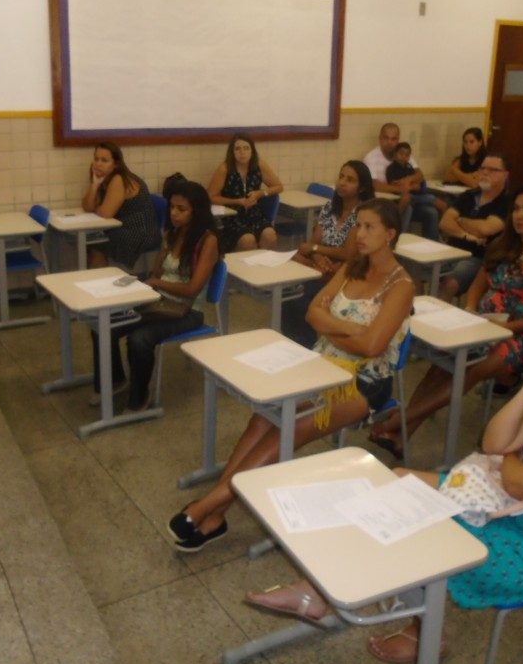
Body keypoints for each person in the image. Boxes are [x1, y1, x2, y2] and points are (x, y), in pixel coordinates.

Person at [246, 308, 523, 664]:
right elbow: (494, 442)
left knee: (419, 526)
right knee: (398, 480)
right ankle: (335, 594)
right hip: (517, 511)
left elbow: (517, 480)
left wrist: (512, 459)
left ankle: (415, 627)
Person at [167, 199, 414, 552]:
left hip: (363, 381)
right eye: (357, 225)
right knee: (261, 418)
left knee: (288, 428)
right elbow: (314, 313)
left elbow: (373, 346)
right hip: (322, 362)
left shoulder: (401, 285)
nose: (358, 234)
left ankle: (207, 506)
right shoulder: (352, 268)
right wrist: (349, 331)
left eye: (369, 227)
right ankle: (218, 511)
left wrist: (336, 330)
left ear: (390, 234)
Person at [370, 183, 523, 459]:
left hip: (520, 337)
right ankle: (403, 436)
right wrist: (471, 307)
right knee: (441, 364)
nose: (519, 216)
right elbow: (478, 284)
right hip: (482, 325)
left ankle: (398, 421)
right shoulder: (504, 246)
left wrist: (505, 328)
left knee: (471, 369)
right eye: (516, 209)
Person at [91, 180, 219, 412]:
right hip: (159, 302)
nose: (173, 213)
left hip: (188, 310)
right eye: (172, 207)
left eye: (181, 209)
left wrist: (157, 283)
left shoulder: (208, 241)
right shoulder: (171, 234)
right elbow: (155, 273)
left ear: (197, 211)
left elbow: (192, 289)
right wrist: (143, 284)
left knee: (140, 338)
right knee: (103, 323)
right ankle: (115, 381)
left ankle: (139, 399)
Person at [282, 160, 375, 347]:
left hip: (347, 270)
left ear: (362, 188)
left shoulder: (362, 214)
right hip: (322, 266)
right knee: (289, 295)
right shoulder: (329, 208)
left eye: (350, 180)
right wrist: (317, 256)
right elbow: (312, 244)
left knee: (302, 300)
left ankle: (306, 348)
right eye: (341, 176)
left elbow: (349, 253)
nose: (342, 182)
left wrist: (316, 250)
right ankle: (294, 344)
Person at [437, 153, 511, 301]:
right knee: (414, 270)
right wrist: (467, 235)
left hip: (478, 258)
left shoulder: (507, 202)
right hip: (452, 250)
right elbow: (444, 223)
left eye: (492, 170)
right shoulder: (468, 195)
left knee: (449, 284)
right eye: (482, 168)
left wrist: (460, 220)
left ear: (505, 175)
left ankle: (435, 320)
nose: (484, 173)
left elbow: (486, 229)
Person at [80, 141, 160, 269]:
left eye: (104, 160)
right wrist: (94, 185)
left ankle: (101, 285)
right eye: (96, 159)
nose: (98, 164)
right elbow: (87, 207)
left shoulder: (119, 179)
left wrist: (98, 207)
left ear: (116, 164)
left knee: (97, 245)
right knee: (91, 241)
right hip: (121, 226)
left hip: (139, 231)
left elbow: (105, 213)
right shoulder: (103, 178)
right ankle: (97, 282)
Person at [207, 132, 283, 252]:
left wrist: (260, 193)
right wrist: (237, 201)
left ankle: (265, 268)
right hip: (232, 216)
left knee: (270, 235)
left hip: (254, 213)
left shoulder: (259, 164)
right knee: (247, 240)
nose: (242, 152)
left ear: (252, 151)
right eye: (238, 149)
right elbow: (211, 197)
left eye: (246, 148)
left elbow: (278, 186)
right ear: (232, 152)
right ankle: (245, 269)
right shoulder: (225, 168)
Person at [363, 122, 439, 237]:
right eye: (386, 138)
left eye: (394, 139)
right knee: (408, 206)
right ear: (380, 139)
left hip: (409, 197)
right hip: (384, 204)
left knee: (431, 212)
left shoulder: (402, 154)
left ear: (398, 140)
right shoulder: (371, 158)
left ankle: (434, 245)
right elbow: (374, 185)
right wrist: (402, 188)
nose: (390, 142)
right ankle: (396, 241)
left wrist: (408, 180)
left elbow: (419, 174)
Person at [385, 141, 446, 241]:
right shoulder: (391, 168)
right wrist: (410, 185)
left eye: (407, 155)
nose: (404, 157)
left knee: (436, 208)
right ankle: (397, 232)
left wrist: (408, 183)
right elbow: (395, 185)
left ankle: (436, 238)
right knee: (409, 202)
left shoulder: (409, 167)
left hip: (417, 196)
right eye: (401, 154)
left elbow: (419, 184)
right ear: (395, 154)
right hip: (403, 196)